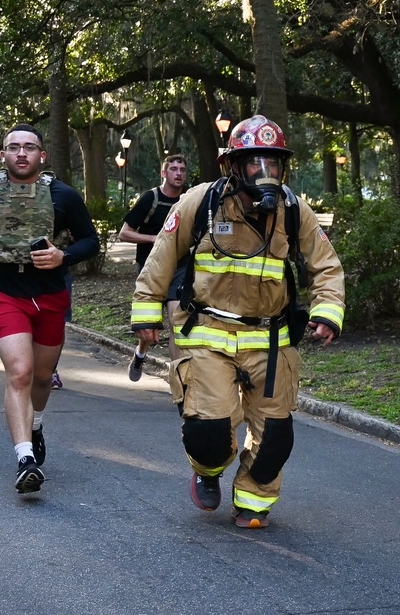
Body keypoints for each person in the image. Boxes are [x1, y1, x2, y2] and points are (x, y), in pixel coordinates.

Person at [132, 115, 346, 529]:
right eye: (253, 162)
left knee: (276, 439)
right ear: (232, 165)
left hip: (270, 340)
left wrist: (327, 312)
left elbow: (327, 266)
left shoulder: (293, 209)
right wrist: (146, 312)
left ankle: (253, 502)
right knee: (209, 433)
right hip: (208, 337)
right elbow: (159, 260)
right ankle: (209, 469)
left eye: (273, 162)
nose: (264, 172)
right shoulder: (200, 203)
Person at [0, 123, 99, 494]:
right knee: (20, 372)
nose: (21, 153)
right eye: (13, 147)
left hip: (49, 294)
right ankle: (24, 458)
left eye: (29, 147)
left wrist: (63, 255)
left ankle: (36, 424)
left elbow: (91, 240)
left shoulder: (63, 195)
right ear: (2, 155)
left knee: (43, 378)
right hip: (4, 290)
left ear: (41, 155)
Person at [118, 153, 188, 380]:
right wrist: (154, 239)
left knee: (177, 323)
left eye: (182, 170)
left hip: (180, 269)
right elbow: (124, 233)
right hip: (151, 269)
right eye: (173, 169)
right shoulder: (151, 198)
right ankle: (140, 353)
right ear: (163, 173)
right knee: (149, 329)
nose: (178, 173)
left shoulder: (188, 199)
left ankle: (178, 381)